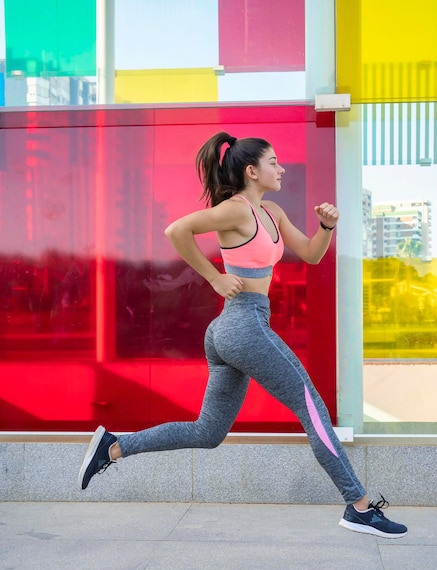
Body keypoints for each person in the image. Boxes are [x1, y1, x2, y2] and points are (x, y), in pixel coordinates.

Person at [78, 131, 407, 538]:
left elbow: (311, 253)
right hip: (243, 325)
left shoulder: (272, 213)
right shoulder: (235, 211)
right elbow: (176, 230)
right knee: (312, 408)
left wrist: (326, 226)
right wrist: (214, 278)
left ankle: (112, 447)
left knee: (207, 433)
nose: (281, 168)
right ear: (252, 171)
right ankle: (358, 506)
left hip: (233, 329)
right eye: (273, 162)